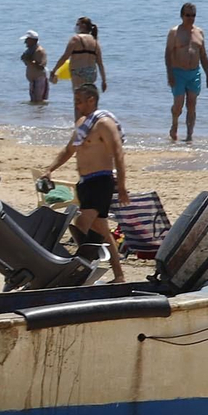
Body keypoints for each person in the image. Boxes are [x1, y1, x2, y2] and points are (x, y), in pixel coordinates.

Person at [41, 84, 129, 284]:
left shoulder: (104, 123)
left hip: (101, 181)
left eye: (80, 101)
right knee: (102, 229)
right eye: (75, 101)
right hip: (85, 183)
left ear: (92, 100)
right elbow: (69, 150)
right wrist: (50, 169)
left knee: (82, 223)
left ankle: (82, 268)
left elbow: (118, 153)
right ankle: (119, 275)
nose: (77, 105)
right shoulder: (82, 124)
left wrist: (122, 186)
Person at [164, 3, 208, 141]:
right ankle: (174, 123)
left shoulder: (199, 32)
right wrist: (170, 74)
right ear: (181, 16)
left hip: (194, 73)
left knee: (192, 104)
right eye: (187, 15)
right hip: (178, 72)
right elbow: (168, 54)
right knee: (178, 105)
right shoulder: (174, 32)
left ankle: (189, 135)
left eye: (193, 15)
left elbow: (203, 55)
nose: (190, 18)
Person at [50, 17, 105, 97]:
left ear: (83, 25)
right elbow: (100, 63)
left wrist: (54, 70)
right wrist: (104, 80)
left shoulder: (76, 39)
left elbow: (65, 56)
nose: (76, 27)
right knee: (88, 97)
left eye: (77, 24)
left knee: (78, 98)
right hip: (92, 73)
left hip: (78, 72)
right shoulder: (95, 42)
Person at [21, 31, 49, 104]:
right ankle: (34, 115)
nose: (25, 42)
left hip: (39, 78)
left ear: (33, 40)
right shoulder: (30, 51)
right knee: (33, 101)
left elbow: (41, 66)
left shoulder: (40, 50)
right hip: (33, 79)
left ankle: (40, 114)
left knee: (38, 101)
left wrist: (30, 60)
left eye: (27, 40)